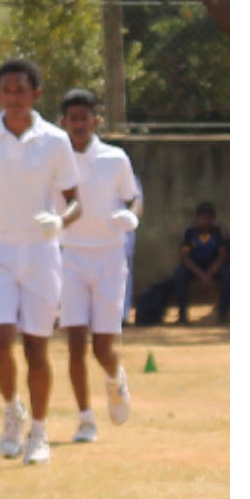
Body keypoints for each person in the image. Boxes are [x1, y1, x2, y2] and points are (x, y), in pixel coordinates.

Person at [0, 58, 83, 465]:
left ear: (35, 94)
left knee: (37, 349)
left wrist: (59, 220)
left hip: (41, 252)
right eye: (6, 91)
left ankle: (39, 433)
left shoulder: (56, 140)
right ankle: (12, 410)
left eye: (20, 90)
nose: (13, 98)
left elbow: (76, 201)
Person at [54, 89, 143, 443]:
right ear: (63, 123)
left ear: (95, 122)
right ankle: (85, 420)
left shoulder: (114, 158)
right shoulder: (53, 162)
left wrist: (131, 216)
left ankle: (114, 377)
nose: (78, 124)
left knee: (101, 347)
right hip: (71, 257)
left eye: (83, 117)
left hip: (109, 257)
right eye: (71, 118)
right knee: (75, 343)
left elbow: (133, 197)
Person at [134, 203, 226, 325]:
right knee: (179, 275)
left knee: (228, 274)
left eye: (207, 218)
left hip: (214, 268)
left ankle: (223, 314)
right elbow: (185, 257)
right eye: (201, 218)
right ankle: (182, 315)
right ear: (196, 218)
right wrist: (201, 274)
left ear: (212, 220)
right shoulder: (190, 232)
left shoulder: (218, 232)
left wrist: (209, 274)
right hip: (194, 268)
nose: (204, 221)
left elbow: (222, 255)